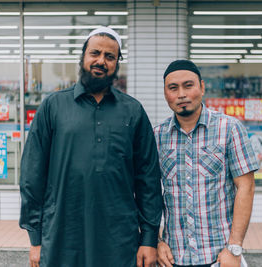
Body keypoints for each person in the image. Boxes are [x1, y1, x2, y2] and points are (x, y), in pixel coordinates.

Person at [19, 26, 162, 267]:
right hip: (62, 236)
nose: (101, 61)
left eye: (110, 56)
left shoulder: (133, 111)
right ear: (83, 57)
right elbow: (32, 174)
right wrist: (35, 237)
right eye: (95, 53)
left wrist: (148, 239)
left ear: (117, 63)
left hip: (120, 239)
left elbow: (148, 179)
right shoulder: (54, 106)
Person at [154, 60, 258, 267]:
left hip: (220, 257)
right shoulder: (157, 136)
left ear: (202, 87)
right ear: (166, 94)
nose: (181, 94)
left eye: (188, 85)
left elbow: (246, 187)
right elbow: (147, 192)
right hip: (174, 257)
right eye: (173, 88)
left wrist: (234, 248)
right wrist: (156, 241)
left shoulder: (229, 129)